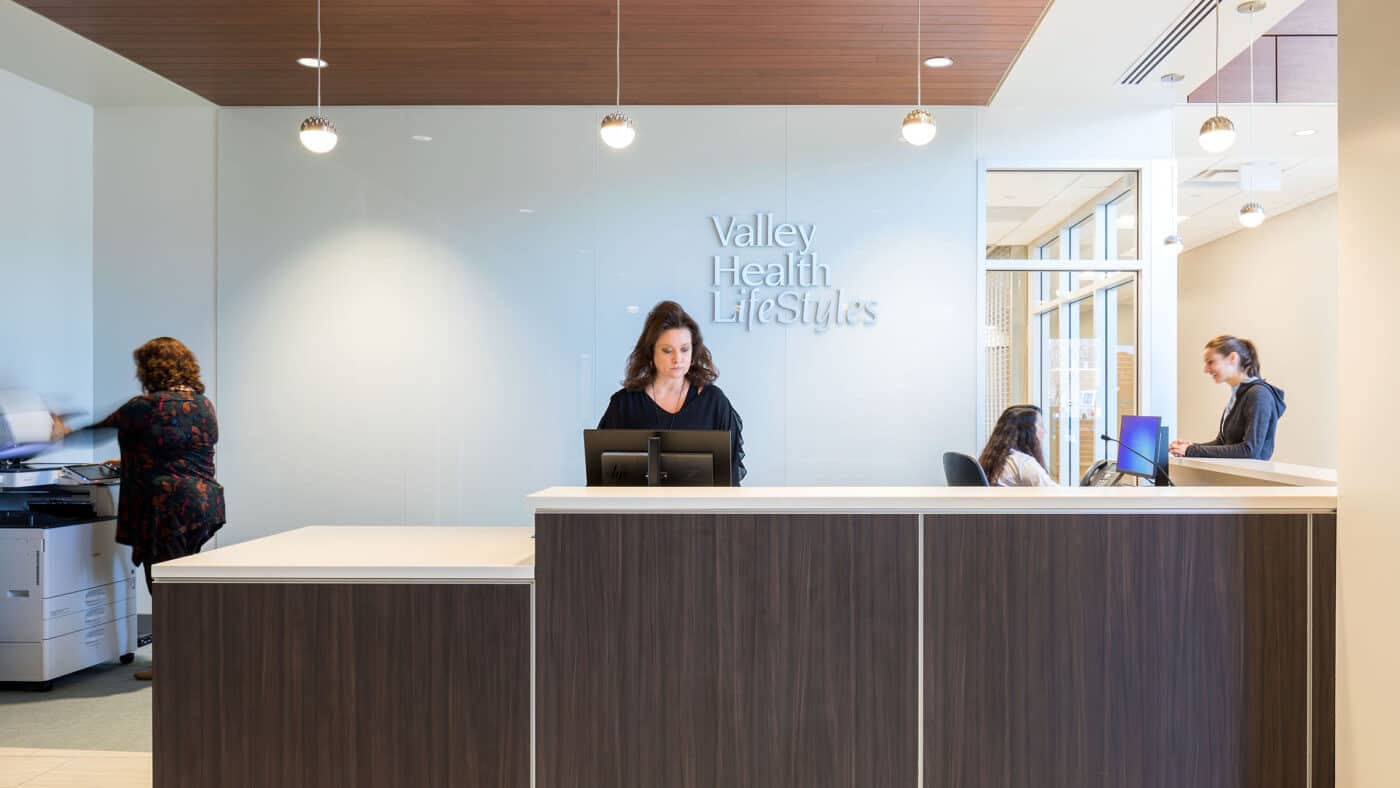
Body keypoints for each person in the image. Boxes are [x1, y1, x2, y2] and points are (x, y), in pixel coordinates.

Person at [55, 337, 225, 680]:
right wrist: (131, 462)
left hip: (166, 508)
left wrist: (59, 430)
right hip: (202, 505)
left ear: (150, 369)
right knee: (182, 581)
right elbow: (183, 450)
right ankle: (193, 656)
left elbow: (94, 430)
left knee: (162, 583)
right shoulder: (203, 404)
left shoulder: (144, 407)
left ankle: (173, 665)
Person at [598, 300, 746, 485]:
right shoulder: (624, 404)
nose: (678, 359)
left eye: (685, 349)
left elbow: (729, 478)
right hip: (638, 512)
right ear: (651, 353)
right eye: (667, 351)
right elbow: (603, 476)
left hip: (700, 512)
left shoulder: (714, 402)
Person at [1169, 335, 1286, 460]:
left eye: (1211, 362)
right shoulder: (1240, 395)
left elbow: (1250, 450)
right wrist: (1189, 448)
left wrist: (1193, 450)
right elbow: (1223, 443)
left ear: (1232, 358)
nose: (1206, 369)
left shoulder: (1258, 394)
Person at [978, 404, 1056, 487]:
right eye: (1041, 425)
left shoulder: (996, 461)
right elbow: (1055, 493)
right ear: (1028, 431)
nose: (1044, 431)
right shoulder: (1023, 463)